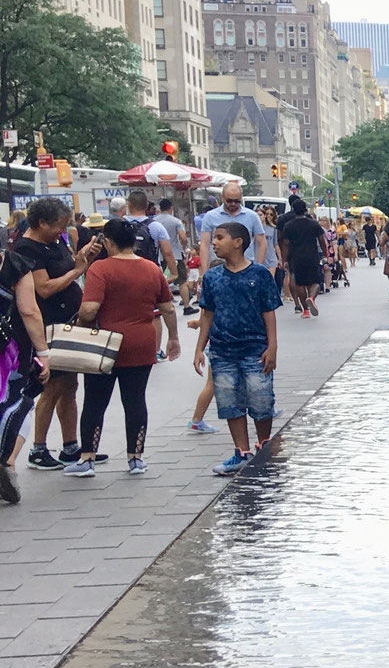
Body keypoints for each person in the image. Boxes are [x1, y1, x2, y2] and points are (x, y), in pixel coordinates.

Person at [69, 216, 178, 476]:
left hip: (104, 345)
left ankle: (87, 458)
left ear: (107, 242)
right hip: (141, 343)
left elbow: (89, 308)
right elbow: (168, 307)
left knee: (95, 401)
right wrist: (173, 337)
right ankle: (135, 458)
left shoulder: (101, 269)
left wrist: (84, 323)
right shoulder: (152, 268)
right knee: (135, 401)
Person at [9, 196, 99, 471]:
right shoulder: (26, 249)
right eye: (58, 226)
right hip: (49, 326)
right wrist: (78, 270)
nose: (62, 231)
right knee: (52, 387)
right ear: (41, 223)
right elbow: (44, 288)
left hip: (67, 323)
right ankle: (38, 449)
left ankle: (71, 445)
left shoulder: (53, 242)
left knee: (69, 385)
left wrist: (79, 257)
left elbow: (65, 265)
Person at [193, 219, 282, 477]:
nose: (215, 243)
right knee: (229, 400)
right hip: (222, 350)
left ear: (238, 243)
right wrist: (200, 347)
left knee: (261, 397)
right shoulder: (212, 277)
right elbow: (207, 314)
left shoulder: (260, 275)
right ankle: (241, 451)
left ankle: (263, 444)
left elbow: (269, 313)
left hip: (255, 348)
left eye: (220, 238)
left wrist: (272, 346)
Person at [277, 197, 325, 319]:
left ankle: (305, 310)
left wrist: (284, 259)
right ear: (305, 210)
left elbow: (285, 243)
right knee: (316, 282)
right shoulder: (313, 223)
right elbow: (321, 239)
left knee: (299, 284)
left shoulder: (288, 225)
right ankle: (312, 298)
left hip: (296, 257)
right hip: (312, 255)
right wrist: (326, 253)